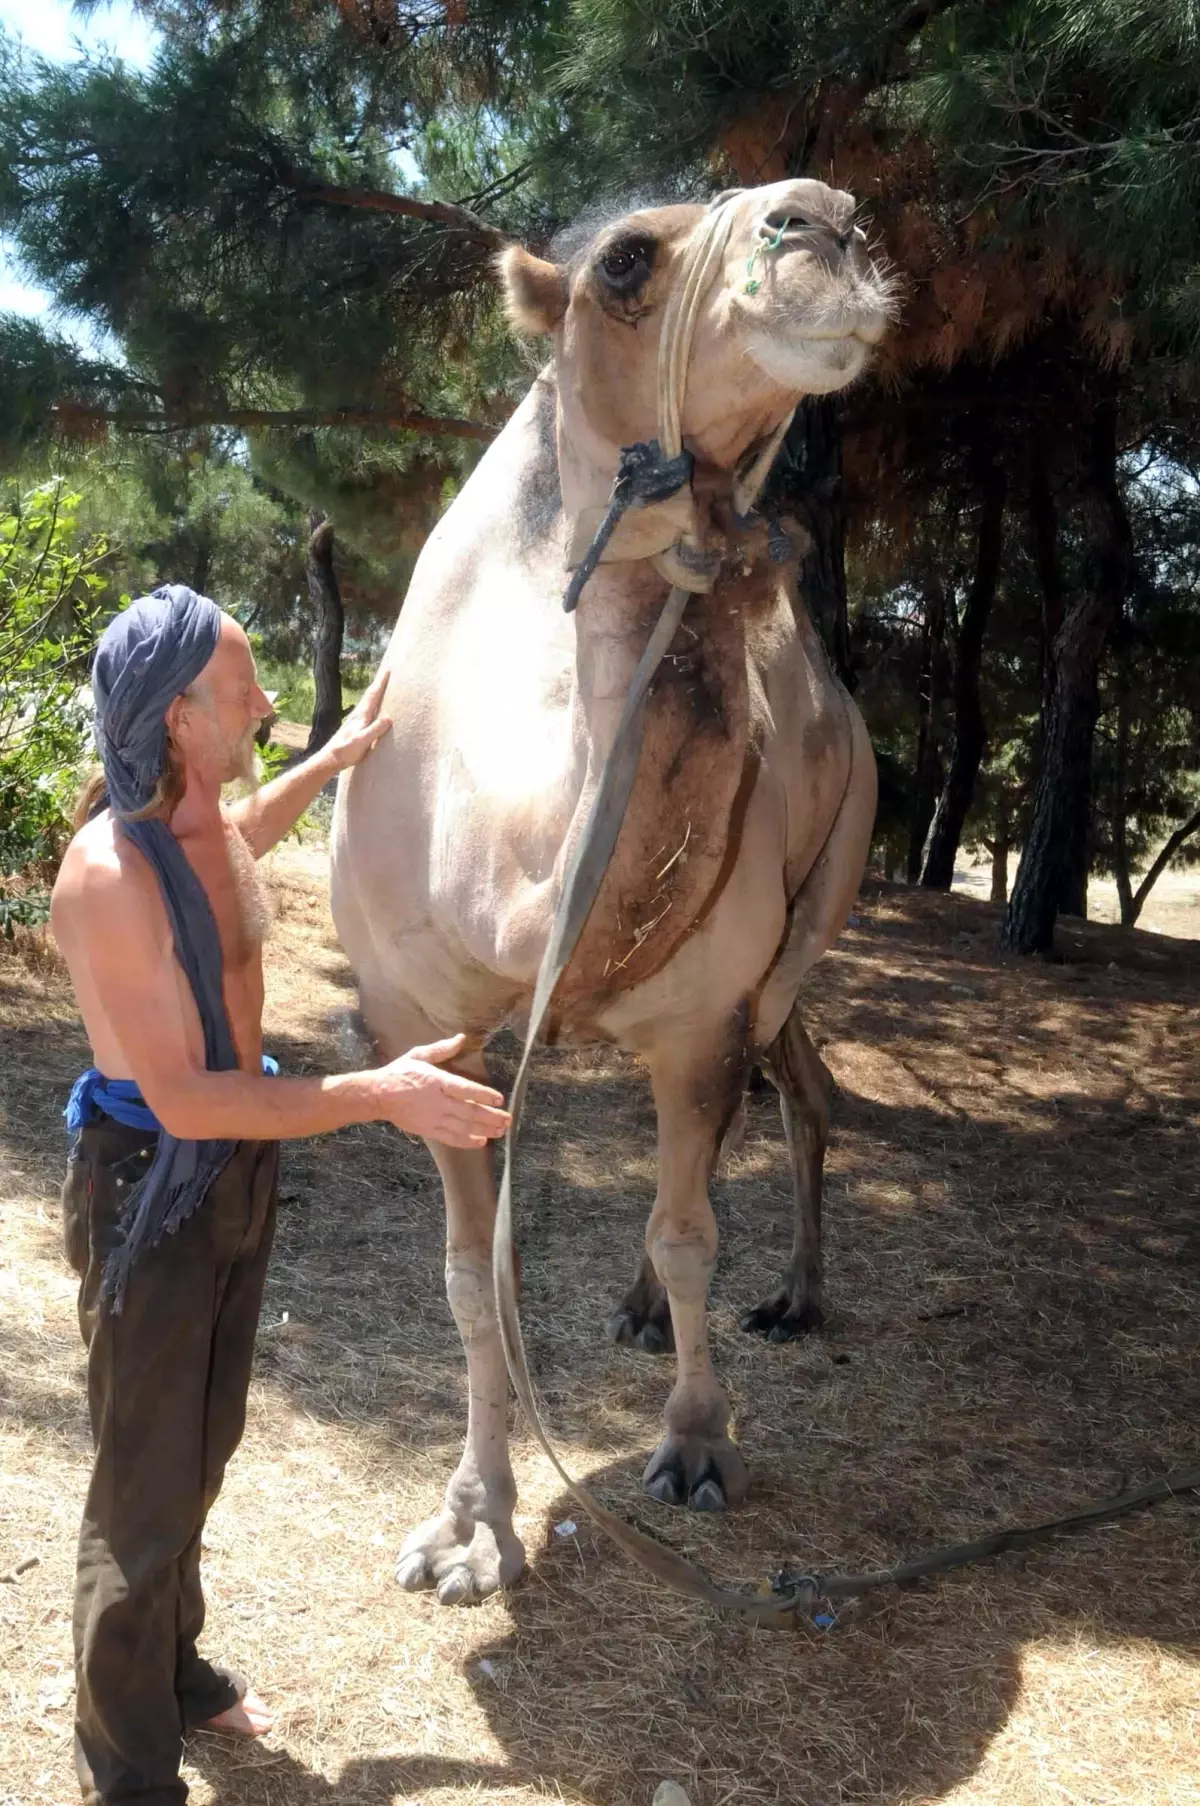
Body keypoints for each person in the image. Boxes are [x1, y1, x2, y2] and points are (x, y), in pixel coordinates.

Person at [50, 585, 511, 1806]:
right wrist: (373, 1094)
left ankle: (178, 1669)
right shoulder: (110, 876)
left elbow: (243, 834)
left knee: (201, 1451)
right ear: (179, 716)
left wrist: (340, 756)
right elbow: (192, 1099)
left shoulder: (203, 821)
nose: (266, 702)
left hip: (232, 1175)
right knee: (143, 1488)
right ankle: (130, 1769)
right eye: (245, 688)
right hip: (157, 1185)